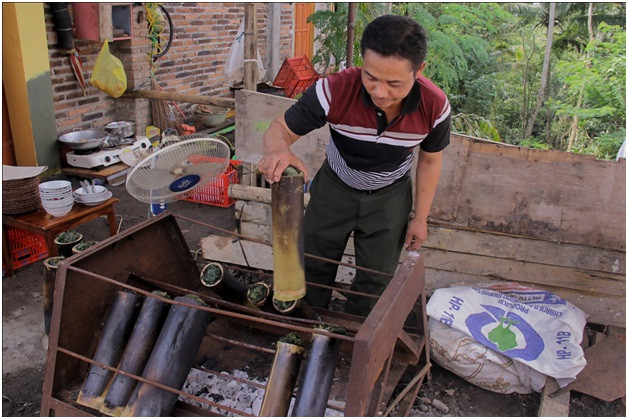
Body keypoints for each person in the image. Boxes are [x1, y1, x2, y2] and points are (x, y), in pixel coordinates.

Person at [258, 15, 451, 316]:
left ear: (419, 70)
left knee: (377, 277)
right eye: (371, 77)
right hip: (335, 187)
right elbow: (279, 128)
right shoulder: (334, 90)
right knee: (313, 263)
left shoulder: (435, 106)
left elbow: (430, 158)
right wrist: (278, 150)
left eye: (394, 83)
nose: (380, 92)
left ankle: (357, 337)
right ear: (362, 62)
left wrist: (421, 217)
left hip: (390, 197)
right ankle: (305, 327)